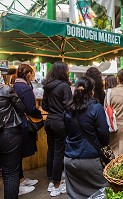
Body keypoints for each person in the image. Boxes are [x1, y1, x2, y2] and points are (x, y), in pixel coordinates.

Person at [64, 77, 109, 199]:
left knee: (75, 194)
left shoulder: (68, 108)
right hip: (91, 160)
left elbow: (66, 132)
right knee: (103, 192)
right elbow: (104, 134)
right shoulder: (96, 108)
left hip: (69, 159)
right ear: (92, 91)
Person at [42, 61, 72, 197]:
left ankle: (51, 179)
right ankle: (56, 184)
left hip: (49, 121)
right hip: (60, 122)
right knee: (59, 152)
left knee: (52, 151)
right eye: (67, 70)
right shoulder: (64, 86)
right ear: (62, 71)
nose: (69, 72)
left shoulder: (47, 86)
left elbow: (45, 106)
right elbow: (69, 106)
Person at [13, 64, 43, 195]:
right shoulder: (25, 88)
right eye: (32, 73)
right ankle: (18, 184)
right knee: (17, 155)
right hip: (22, 123)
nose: (33, 76)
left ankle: (21, 179)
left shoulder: (15, 85)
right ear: (28, 74)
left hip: (15, 123)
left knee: (17, 154)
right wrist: (39, 114)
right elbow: (30, 108)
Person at [0, 81, 24, 199]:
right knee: (10, 173)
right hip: (8, 132)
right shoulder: (6, 90)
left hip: (8, 133)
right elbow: (21, 107)